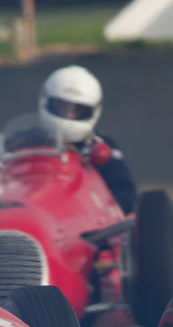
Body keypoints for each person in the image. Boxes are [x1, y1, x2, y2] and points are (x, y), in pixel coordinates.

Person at [37, 65, 136, 215]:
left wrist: (99, 214)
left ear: (92, 112)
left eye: (77, 111)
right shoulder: (29, 138)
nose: (69, 116)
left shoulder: (101, 145)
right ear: (47, 103)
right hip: (35, 209)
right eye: (63, 107)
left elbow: (126, 194)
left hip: (82, 220)